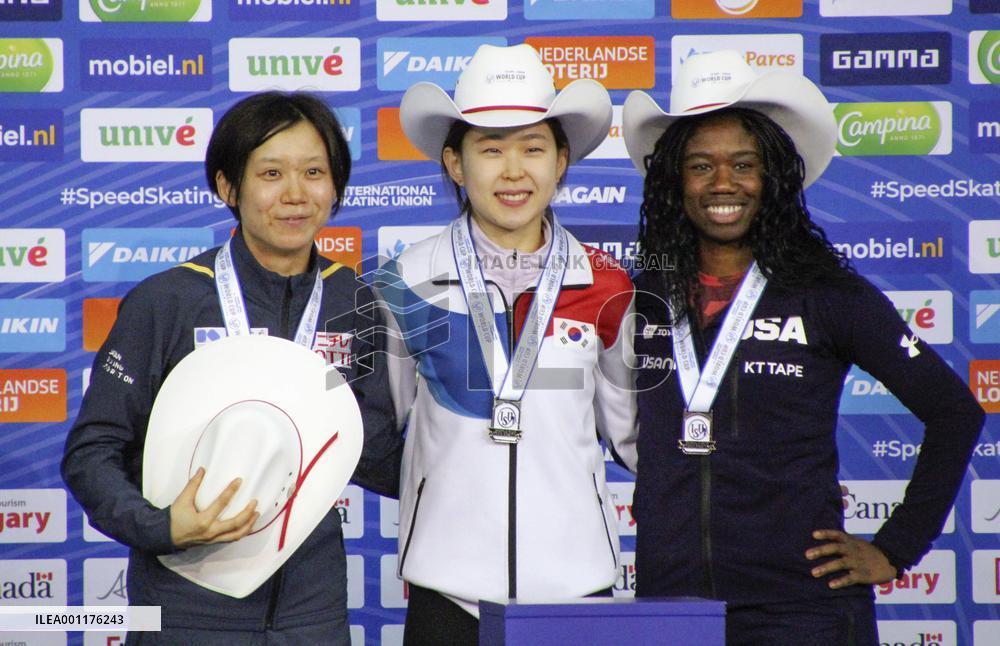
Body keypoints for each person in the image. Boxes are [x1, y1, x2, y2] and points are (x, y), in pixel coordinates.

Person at [622, 50, 984, 645]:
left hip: (802, 609)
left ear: (773, 177)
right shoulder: (643, 297)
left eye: (744, 164)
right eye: (700, 166)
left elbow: (955, 411)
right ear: (673, 181)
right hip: (672, 606)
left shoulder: (827, 293)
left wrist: (895, 548)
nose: (723, 184)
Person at [61, 92, 400, 645]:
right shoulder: (166, 301)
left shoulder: (354, 301)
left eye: (314, 172)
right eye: (271, 172)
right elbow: (92, 451)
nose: (295, 194)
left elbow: (376, 450)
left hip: (312, 617)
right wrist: (162, 526)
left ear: (335, 186)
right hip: (186, 609)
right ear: (227, 186)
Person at [376, 43, 638, 644]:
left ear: (562, 160)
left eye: (533, 148)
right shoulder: (404, 281)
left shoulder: (607, 284)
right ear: (454, 164)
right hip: (447, 594)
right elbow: (372, 431)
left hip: (578, 586)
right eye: (490, 149)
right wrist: (439, 493)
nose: (513, 171)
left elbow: (630, 434)